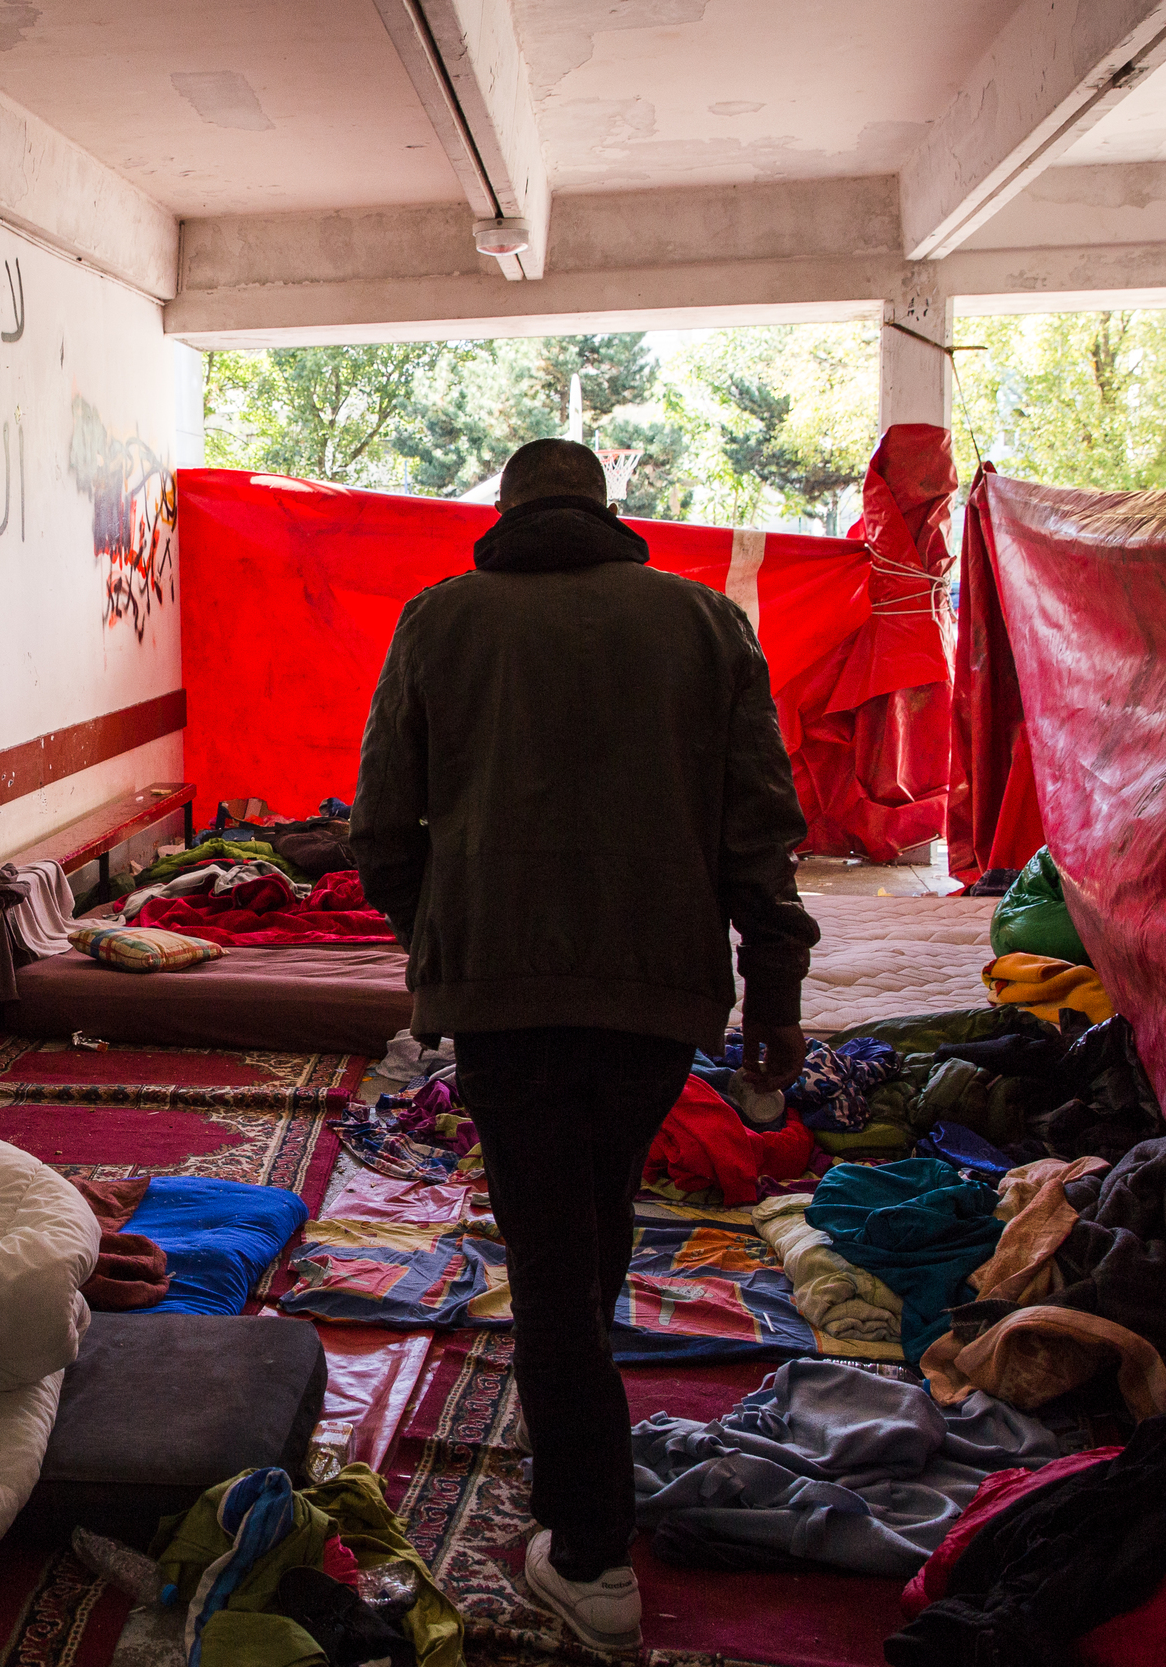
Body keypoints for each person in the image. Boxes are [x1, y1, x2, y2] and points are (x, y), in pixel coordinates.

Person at [351, 438, 817, 1654]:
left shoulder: (440, 620)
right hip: (658, 992)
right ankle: (585, 1457)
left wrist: (439, 937)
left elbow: (379, 825)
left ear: (500, 512)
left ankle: (592, 1547)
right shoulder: (703, 622)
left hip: (501, 997)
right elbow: (758, 828)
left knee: (553, 1255)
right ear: (609, 509)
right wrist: (774, 987)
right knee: (590, 1223)